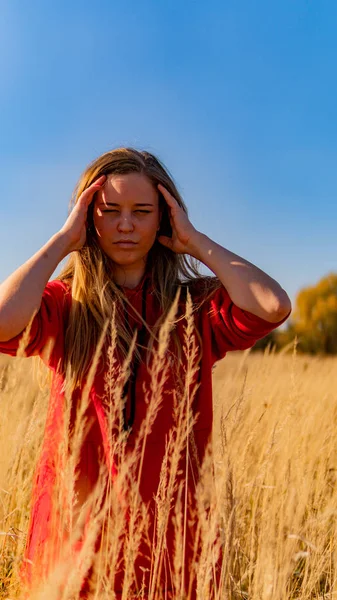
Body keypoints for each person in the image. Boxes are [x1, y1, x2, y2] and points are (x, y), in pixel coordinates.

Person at [0, 147, 291, 599]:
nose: (126, 225)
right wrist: (62, 240)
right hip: (77, 533)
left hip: (170, 541)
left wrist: (195, 241)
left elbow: (273, 305)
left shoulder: (191, 307)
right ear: (88, 218)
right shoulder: (66, 304)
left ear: (164, 220)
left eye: (142, 211)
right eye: (109, 211)